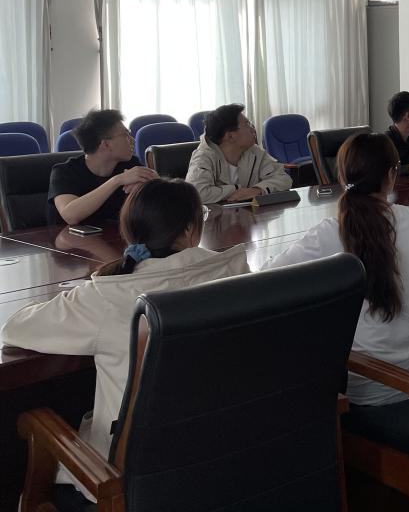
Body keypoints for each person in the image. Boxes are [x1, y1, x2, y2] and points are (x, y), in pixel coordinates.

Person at [3, 179, 247, 502]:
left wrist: (75, 296)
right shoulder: (235, 270)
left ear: (130, 233)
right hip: (228, 460)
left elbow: (14, 328)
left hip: (128, 485)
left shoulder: (107, 296)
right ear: (191, 229)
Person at [261, 133, 409, 409]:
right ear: (391, 175)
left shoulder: (331, 233)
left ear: (342, 178)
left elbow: (268, 277)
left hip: (370, 390)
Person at [47, 108, 157, 227]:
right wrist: (117, 180)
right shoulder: (64, 172)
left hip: (116, 235)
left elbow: (157, 203)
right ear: (105, 144)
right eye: (126, 135)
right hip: (67, 237)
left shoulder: (130, 164)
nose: (133, 140)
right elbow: (71, 216)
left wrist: (152, 182)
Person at [186, 104, 292, 205]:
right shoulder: (203, 156)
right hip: (216, 216)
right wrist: (237, 189)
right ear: (230, 136)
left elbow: (284, 178)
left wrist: (257, 190)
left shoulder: (254, 151)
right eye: (247, 124)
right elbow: (197, 194)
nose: (253, 129)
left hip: (249, 215)